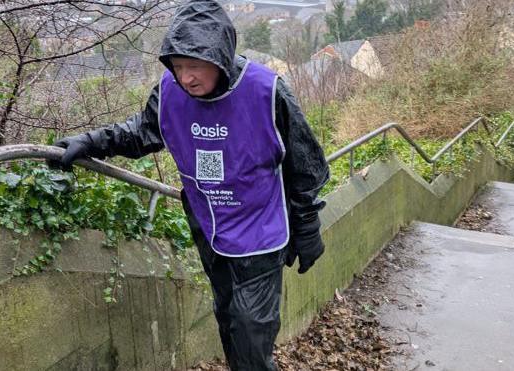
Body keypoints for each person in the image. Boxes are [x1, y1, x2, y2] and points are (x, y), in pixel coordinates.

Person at [48, 0, 329, 369]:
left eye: (195, 66)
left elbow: (305, 162)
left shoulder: (267, 91)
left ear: (220, 58)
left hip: (260, 233)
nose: (187, 78)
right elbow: (141, 132)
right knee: (229, 319)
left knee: (250, 332)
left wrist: (306, 225)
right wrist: (91, 141)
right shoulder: (170, 94)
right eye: (178, 67)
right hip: (210, 229)